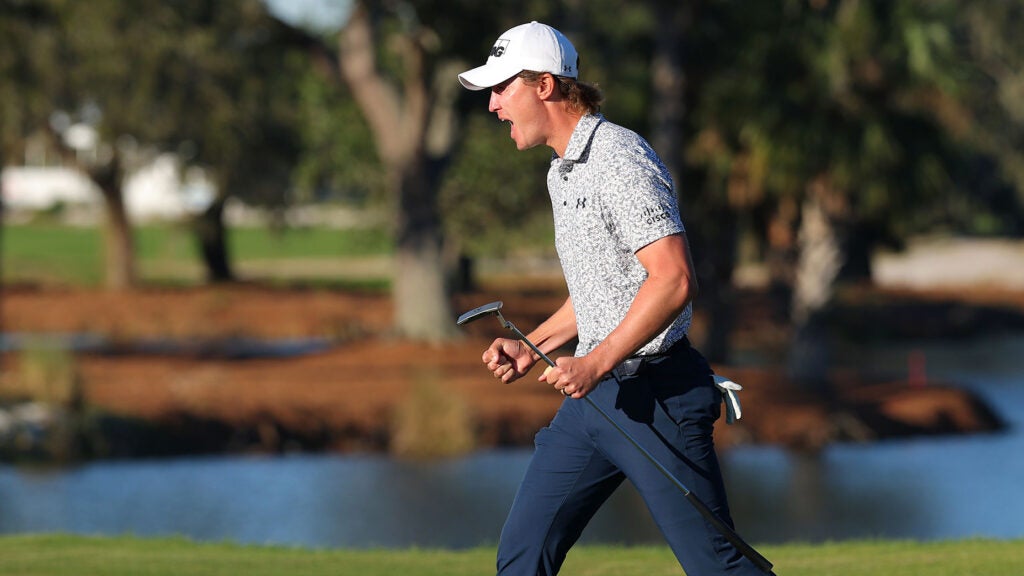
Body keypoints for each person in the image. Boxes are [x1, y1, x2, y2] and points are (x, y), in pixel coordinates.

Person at [458, 21, 762, 576]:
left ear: (544, 86)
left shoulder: (619, 158)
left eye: (502, 89)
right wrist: (533, 346)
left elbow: (672, 280)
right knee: (523, 557)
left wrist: (596, 360)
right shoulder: (563, 172)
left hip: (658, 398)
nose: (493, 105)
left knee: (718, 566)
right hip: (596, 403)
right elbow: (601, 288)